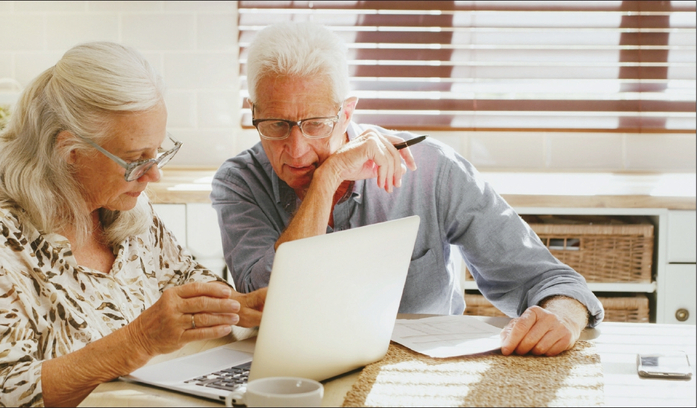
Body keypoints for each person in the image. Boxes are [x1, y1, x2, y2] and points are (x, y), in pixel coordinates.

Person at [211, 22, 604, 358]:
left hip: (419, 373)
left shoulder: (432, 168)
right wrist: (327, 179)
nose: (296, 150)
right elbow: (269, 301)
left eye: (316, 124)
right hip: (293, 371)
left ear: (346, 113)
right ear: (254, 112)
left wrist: (565, 316)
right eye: (276, 125)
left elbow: (545, 278)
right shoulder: (239, 181)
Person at [0, 42, 267, 407]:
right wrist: (139, 341)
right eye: (135, 160)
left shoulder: (126, 209)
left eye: (158, 151)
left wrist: (234, 306)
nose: (154, 175)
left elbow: (183, 276)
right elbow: (0, 392)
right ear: (69, 152)